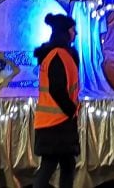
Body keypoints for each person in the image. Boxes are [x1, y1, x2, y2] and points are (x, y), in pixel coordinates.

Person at [32, 14, 80, 188]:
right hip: (57, 123)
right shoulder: (60, 55)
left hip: (53, 122)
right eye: (72, 29)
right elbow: (57, 89)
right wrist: (71, 109)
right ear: (65, 32)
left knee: (66, 164)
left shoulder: (54, 54)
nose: (75, 33)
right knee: (50, 166)